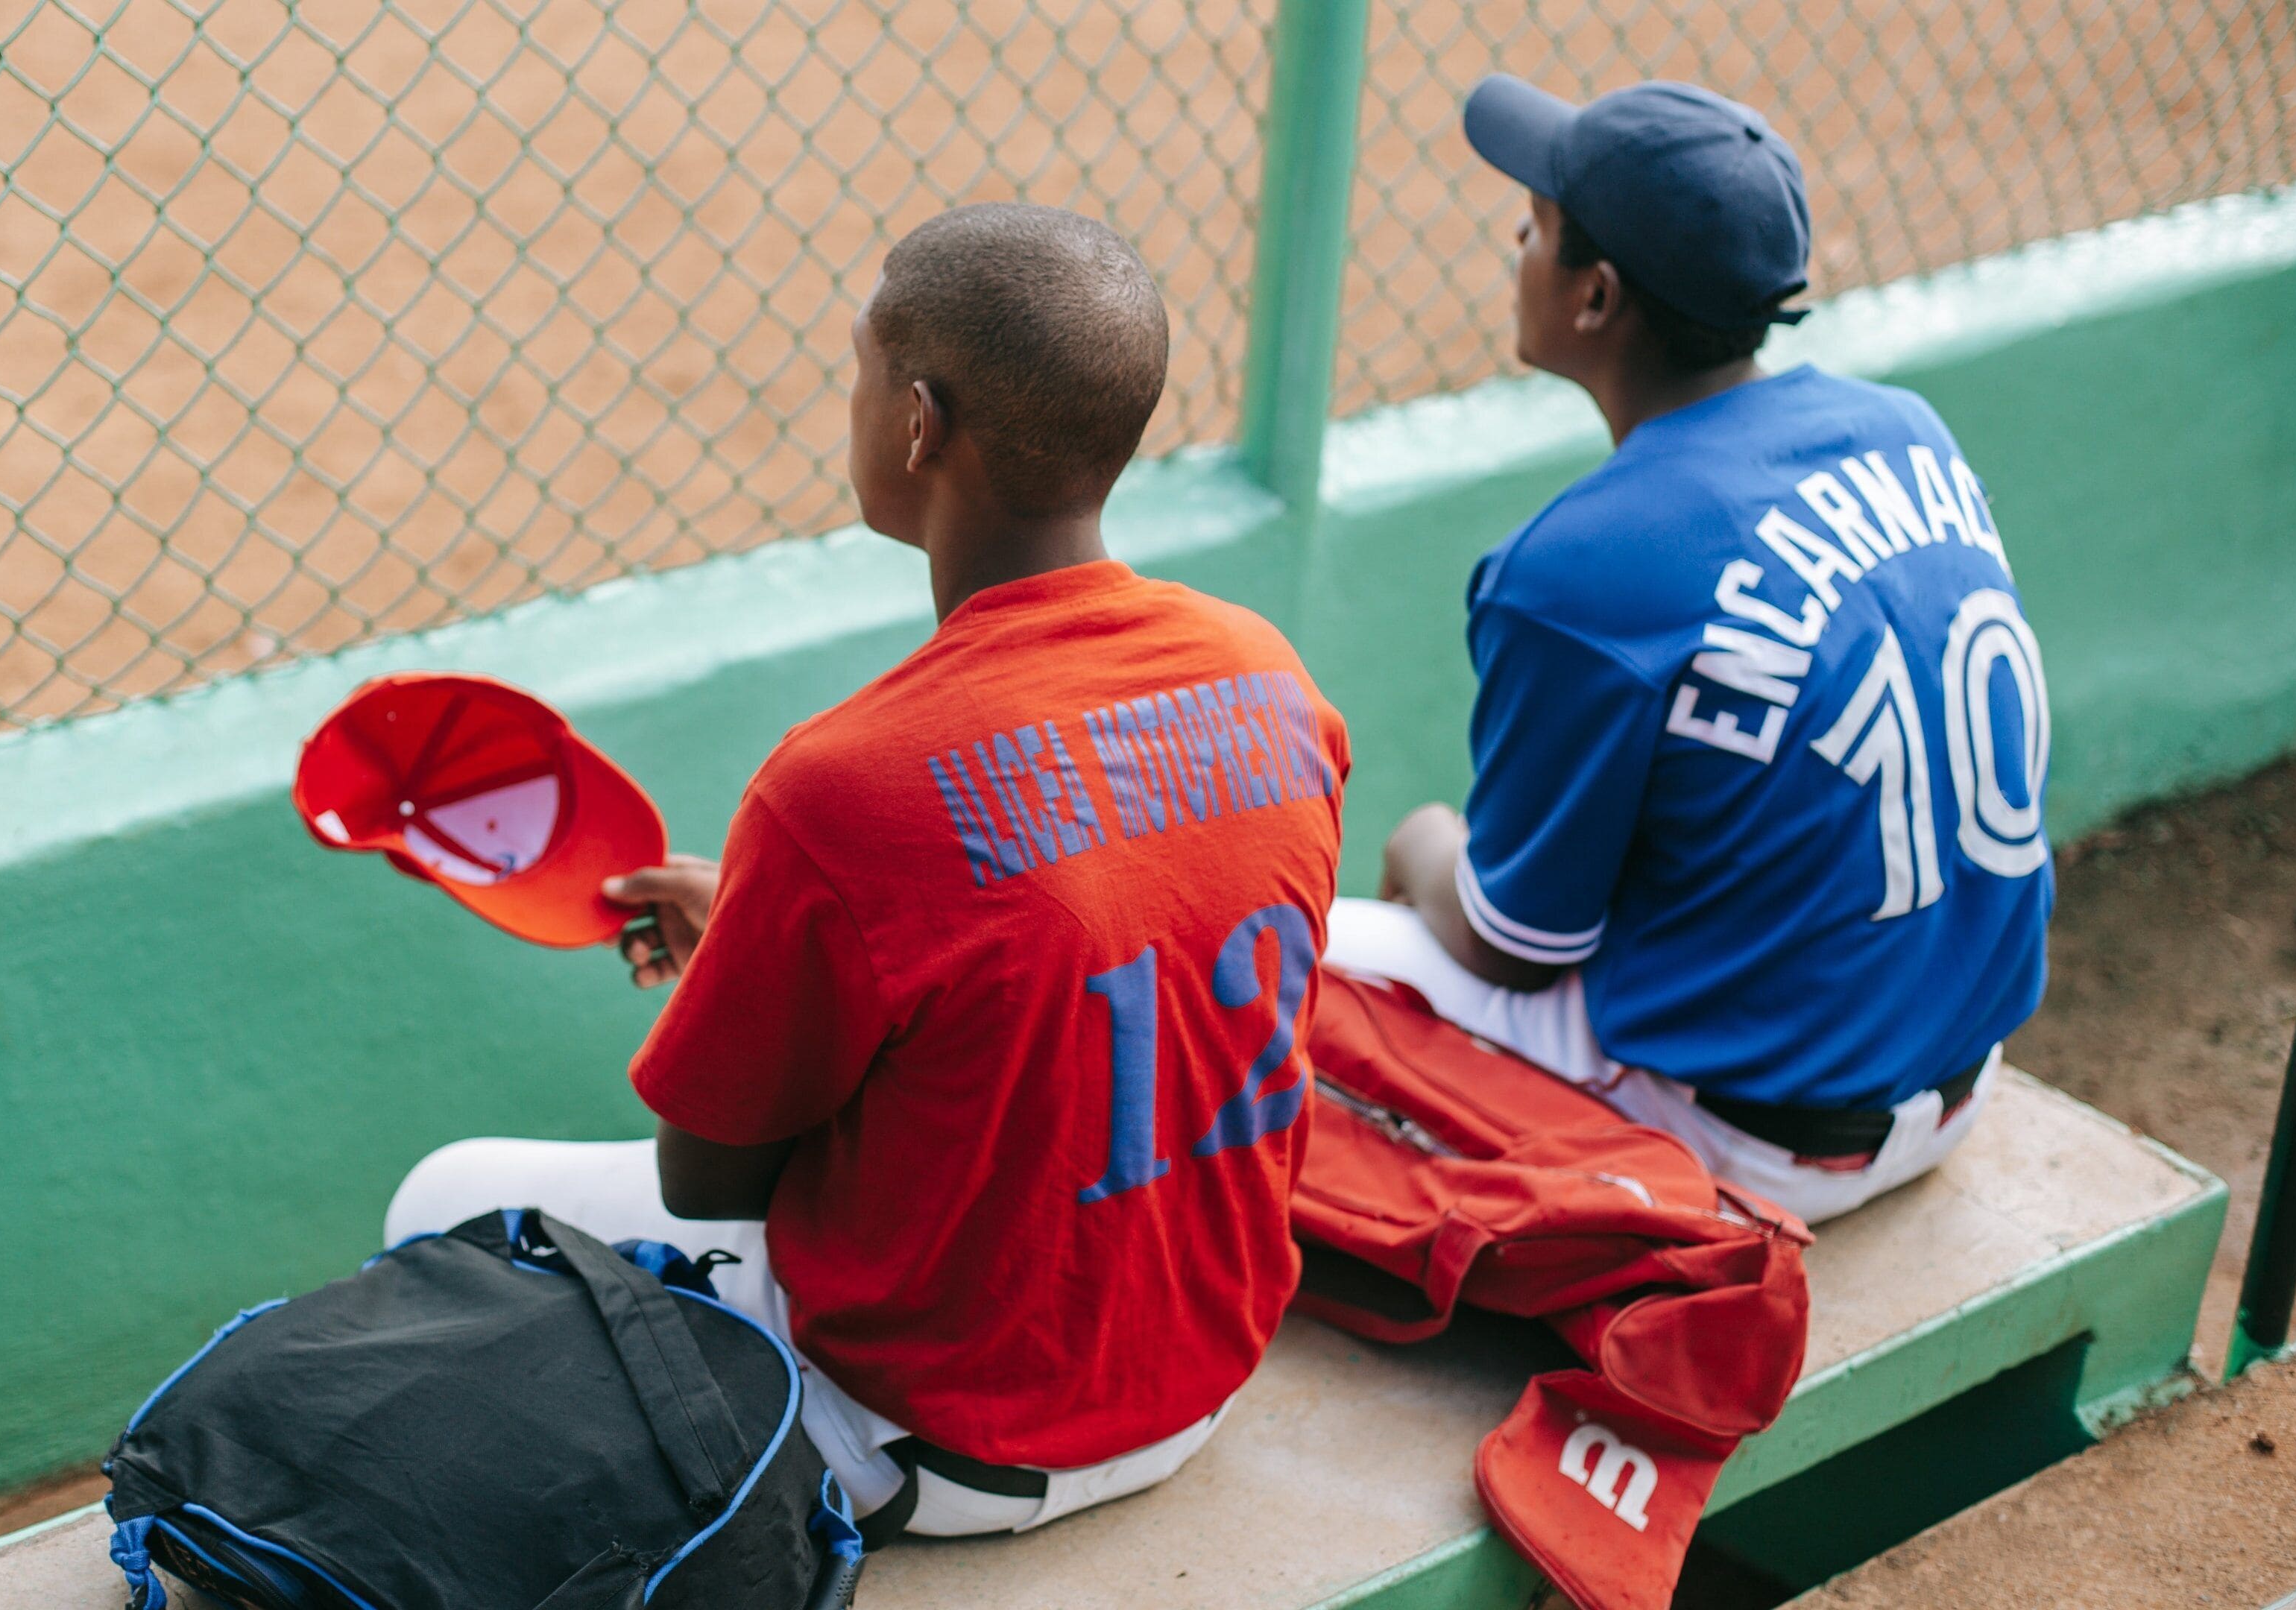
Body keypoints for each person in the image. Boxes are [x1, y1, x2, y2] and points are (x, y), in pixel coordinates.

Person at [386, 203, 1352, 1542]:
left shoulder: (843, 786)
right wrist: (780, 937)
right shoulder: (1269, 677)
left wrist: (751, 971)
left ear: (917, 423)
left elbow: (710, 1185)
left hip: (936, 1447)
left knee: (438, 1198)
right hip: (1199, 1384)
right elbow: (1056, 938)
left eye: (859, 373)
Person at [1338, 76, 2053, 1226]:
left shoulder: (1575, 571)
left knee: (1285, 962)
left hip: (1755, 1145)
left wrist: (1420, 845)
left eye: (1541, 226)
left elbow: (1516, 948)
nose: (1520, 238)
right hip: (1962, 1077)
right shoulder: (1907, 429)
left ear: (1596, 297)